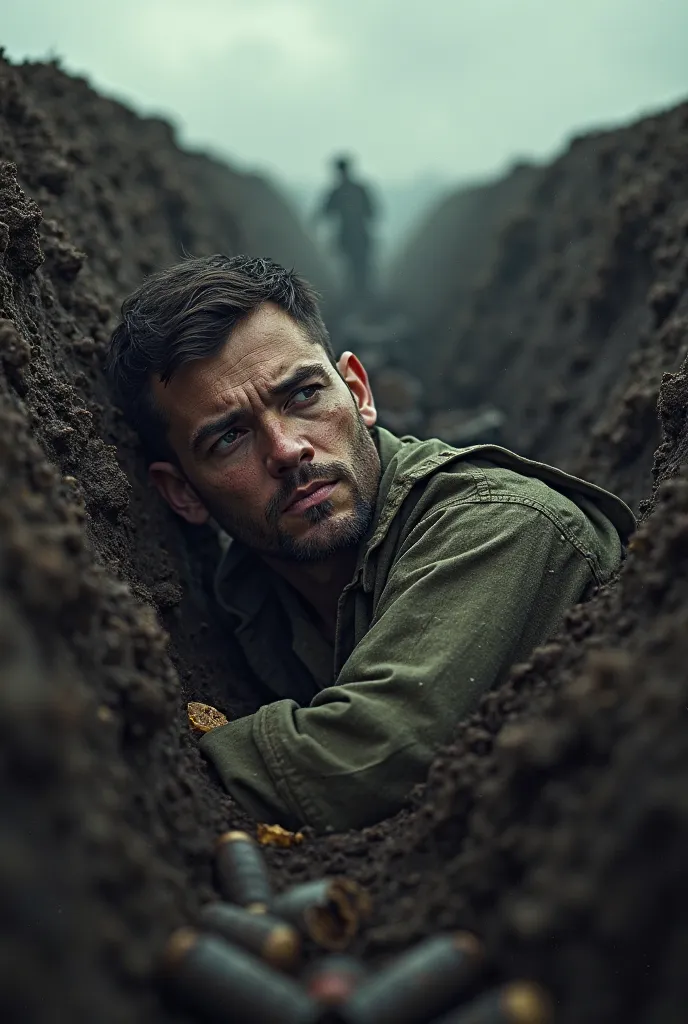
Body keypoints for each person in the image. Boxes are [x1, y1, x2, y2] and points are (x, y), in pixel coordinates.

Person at [106, 254, 635, 834]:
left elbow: (361, 761)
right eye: (229, 437)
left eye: (303, 395)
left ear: (356, 390)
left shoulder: (501, 526)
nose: (287, 450)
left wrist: (165, 765)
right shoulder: (244, 591)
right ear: (181, 491)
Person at [317, 155, 376, 299]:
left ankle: (357, 300)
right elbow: (372, 213)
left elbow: (325, 213)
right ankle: (359, 300)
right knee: (358, 270)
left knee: (356, 270)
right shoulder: (358, 189)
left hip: (350, 236)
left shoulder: (338, 191)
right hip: (356, 235)